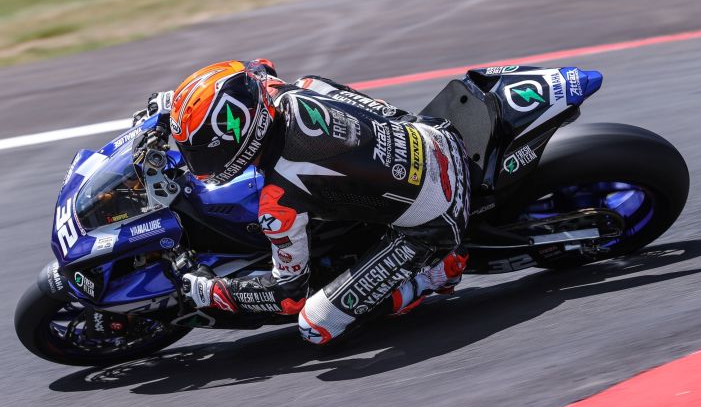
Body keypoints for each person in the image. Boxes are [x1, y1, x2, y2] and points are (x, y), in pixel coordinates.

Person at [140, 59, 469, 345]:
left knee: (315, 325)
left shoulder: (278, 198)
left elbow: (288, 297)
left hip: (438, 216)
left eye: (201, 153)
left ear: (234, 141)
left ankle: (436, 274)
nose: (198, 164)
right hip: (432, 135)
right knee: (312, 84)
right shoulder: (273, 93)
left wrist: (210, 291)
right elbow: (256, 68)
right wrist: (172, 107)